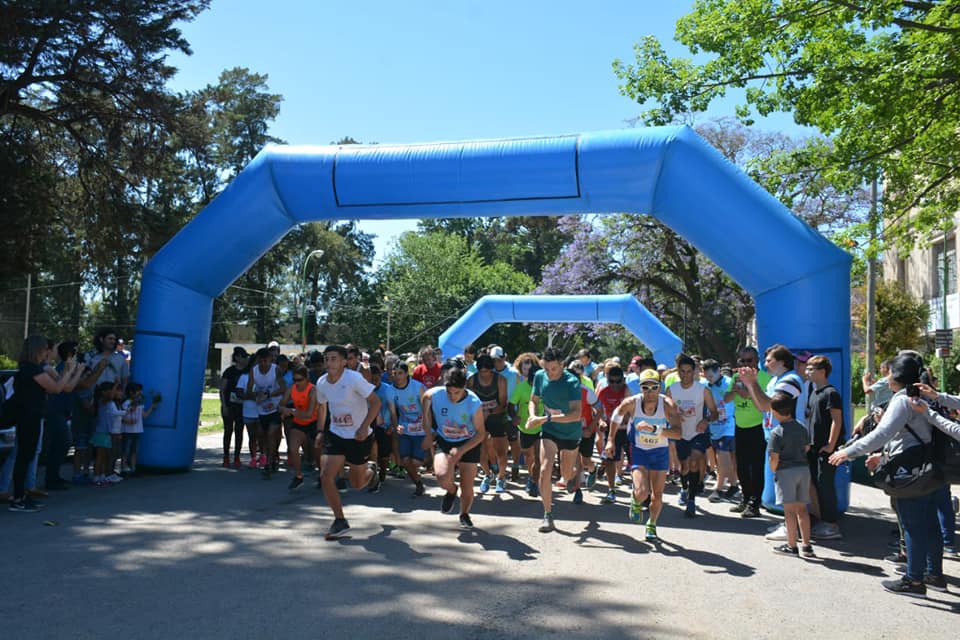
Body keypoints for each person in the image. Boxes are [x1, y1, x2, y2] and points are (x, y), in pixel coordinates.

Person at [828, 354, 947, 597]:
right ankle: (934, 574)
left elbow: (882, 434)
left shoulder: (903, 400)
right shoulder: (927, 394)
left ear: (896, 376)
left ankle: (914, 580)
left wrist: (848, 452)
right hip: (933, 466)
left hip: (910, 469)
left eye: (889, 373)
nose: (886, 377)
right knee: (930, 523)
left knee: (912, 525)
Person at [8, 336, 85, 512]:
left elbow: (63, 387)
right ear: (38, 349)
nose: (48, 351)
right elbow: (56, 389)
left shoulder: (32, 369)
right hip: (28, 417)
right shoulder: (32, 370)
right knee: (24, 457)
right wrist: (70, 370)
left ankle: (22, 495)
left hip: (33, 416)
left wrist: (74, 371)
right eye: (45, 348)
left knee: (26, 456)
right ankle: (18, 498)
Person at [314, 345, 381, 540]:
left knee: (357, 484)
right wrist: (320, 431)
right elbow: (322, 408)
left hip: (359, 436)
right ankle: (340, 520)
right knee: (326, 476)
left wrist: (363, 427)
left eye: (334, 359)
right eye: (327, 359)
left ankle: (372, 470)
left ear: (344, 362)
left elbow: (376, 403)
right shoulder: (322, 382)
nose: (329, 363)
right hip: (335, 434)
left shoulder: (353, 379)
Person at [608, 368, 682, 541]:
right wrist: (610, 440)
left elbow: (678, 433)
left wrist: (655, 429)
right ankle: (635, 500)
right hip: (640, 451)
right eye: (645, 387)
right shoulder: (632, 402)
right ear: (640, 388)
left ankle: (652, 524)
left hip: (660, 452)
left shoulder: (668, 405)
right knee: (642, 492)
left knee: (657, 495)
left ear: (660, 387)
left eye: (654, 387)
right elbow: (616, 416)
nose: (650, 392)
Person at [423, 365, 486, 529]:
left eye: (457, 392)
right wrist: (428, 432)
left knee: (467, 484)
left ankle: (464, 514)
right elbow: (425, 398)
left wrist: (461, 450)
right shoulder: (436, 394)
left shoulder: (474, 403)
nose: (452, 396)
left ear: (464, 387)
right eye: (449, 392)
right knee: (442, 476)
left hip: (468, 443)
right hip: (445, 441)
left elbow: (481, 434)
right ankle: (451, 491)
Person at [528, 347, 582, 533]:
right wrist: (532, 415)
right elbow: (533, 400)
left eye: (554, 369)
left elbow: (576, 415)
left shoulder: (572, 382)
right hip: (549, 431)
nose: (550, 373)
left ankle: (572, 475)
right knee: (544, 468)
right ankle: (548, 515)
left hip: (570, 433)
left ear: (562, 365)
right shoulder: (539, 376)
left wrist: (544, 418)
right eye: (546, 368)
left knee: (566, 475)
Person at [666, 353, 718, 518]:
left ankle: (691, 499)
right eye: (682, 371)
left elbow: (715, 413)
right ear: (678, 372)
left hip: (698, 432)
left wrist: (706, 420)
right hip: (681, 433)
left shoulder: (703, 390)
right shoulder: (671, 390)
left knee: (695, 462)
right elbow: (665, 412)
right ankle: (684, 487)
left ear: (695, 372)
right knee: (684, 466)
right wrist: (674, 416)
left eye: (689, 371)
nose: (686, 375)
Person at [767, 389, 815, 557]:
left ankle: (792, 545)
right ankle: (807, 546)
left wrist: (774, 469)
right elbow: (807, 447)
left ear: (774, 412)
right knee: (802, 509)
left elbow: (774, 457)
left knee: (789, 511)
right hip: (803, 469)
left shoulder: (776, 433)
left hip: (785, 471)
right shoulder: (801, 428)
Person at [804, 355, 844, 541]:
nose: (807, 371)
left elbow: (837, 420)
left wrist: (830, 445)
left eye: (811, 368)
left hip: (826, 450)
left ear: (822, 371)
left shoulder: (831, 393)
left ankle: (831, 524)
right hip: (813, 448)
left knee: (825, 484)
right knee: (815, 483)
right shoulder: (813, 392)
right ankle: (819, 519)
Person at [467, 354, 509, 494]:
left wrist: (489, 411)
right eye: (481, 371)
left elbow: (503, 403)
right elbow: (470, 401)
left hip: (497, 416)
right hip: (480, 417)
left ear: (492, 370)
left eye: (487, 371)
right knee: (481, 451)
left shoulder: (500, 380)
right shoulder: (472, 380)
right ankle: (487, 474)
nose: (484, 374)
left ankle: (501, 477)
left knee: (501, 451)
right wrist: (479, 414)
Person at [245, 348, 286, 478]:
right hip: (262, 408)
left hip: (275, 406)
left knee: (271, 433)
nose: (263, 364)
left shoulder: (276, 370)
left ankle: (268, 463)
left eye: (266, 361)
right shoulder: (254, 371)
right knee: (263, 436)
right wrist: (257, 394)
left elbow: (283, 388)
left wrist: (269, 394)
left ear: (270, 360)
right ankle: (272, 457)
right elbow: (249, 389)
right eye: (261, 361)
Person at [278, 365, 318, 491]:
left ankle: (322, 475)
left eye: (300, 380)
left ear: (307, 379)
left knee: (317, 454)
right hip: (299, 423)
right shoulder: (292, 389)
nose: (297, 383)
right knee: (293, 448)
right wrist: (283, 410)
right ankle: (298, 476)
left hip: (313, 423)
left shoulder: (313, 391)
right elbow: (281, 405)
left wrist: (291, 411)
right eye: (295, 380)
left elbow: (309, 413)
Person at [702, 359, 738, 502]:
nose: (708, 379)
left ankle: (720, 487)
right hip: (714, 426)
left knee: (723, 456)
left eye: (711, 376)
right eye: (706, 376)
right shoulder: (706, 385)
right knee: (720, 457)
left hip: (728, 426)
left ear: (718, 371)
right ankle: (733, 484)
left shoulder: (729, 383)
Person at [508, 353, 541, 497]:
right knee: (529, 456)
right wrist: (514, 417)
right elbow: (511, 405)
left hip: (542, 427)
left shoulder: (545, 387)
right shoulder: (520, 387)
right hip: (525, 427)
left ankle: (534, 482)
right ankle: (531, 476)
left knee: (539, 459)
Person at [392, 362, 427, 496]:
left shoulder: (418, 387)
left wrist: (428, 428)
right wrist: (396, 426)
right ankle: (418, 484)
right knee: (405, 460)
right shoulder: (391, 389)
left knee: (415, 462)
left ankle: (430, 457)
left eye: (400, 373)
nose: (397, 376)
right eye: (395, 373)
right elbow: (393, 411)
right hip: (405, 429)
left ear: (407, 373)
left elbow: (427, 408)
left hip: (420, 429)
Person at [597, 365, 629, 504]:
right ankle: (611, 489)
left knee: (635, 460)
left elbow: (633, 408)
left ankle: (640, 491)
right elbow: (597, 411)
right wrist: (600, 421)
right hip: (612, 430)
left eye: (618, 381)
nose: (615, 385)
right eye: (611, 381)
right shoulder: (603, 392)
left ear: (623, 379)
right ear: (607, 380)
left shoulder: (627, 391)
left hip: (628, 429)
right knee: (610, 459)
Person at [368, 363, 396, 490]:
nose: (374, 381)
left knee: (384, 454)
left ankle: (383, 472)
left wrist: (392, 425)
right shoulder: (364, 390)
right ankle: (373, 475)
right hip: (369, 424)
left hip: (385, 425)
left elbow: (394, 409)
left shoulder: (388, 389)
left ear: (381, 376)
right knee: (371, 449)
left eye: (377, 378)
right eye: (371, 378)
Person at [220, 347, 249, 468]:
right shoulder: (229, 371)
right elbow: (222, 389)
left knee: (239, 431)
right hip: (229, 405)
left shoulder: (247, 372)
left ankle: (237, 456)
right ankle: (226, 456)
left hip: (242, 406)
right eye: (243, 356)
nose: (245, 359)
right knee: (228, 431)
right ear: (237, 357)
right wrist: (224, 405)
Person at [120, 382, 157, 476]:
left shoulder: (140, 403)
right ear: (131, 392)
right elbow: (121, 417)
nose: (140, 393)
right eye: (138, 391)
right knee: (126, 450)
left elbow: (144, 415)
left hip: (137, 430)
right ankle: (123, 469)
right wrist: (128, 421)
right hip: (127, 431)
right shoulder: (126, 403)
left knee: (134, 450)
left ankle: (133, 469)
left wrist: (152, 408)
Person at [92, 381, 125, 487]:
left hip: (106, 432)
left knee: (104, 456)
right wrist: (116, 384)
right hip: (101, 432)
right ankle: (96, 477)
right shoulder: (103, 401)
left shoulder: (105, 401)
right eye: (111, 390)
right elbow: (111, 397)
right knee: (100, 456)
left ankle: (101, 476)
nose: (114, 392)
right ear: (104, 392)